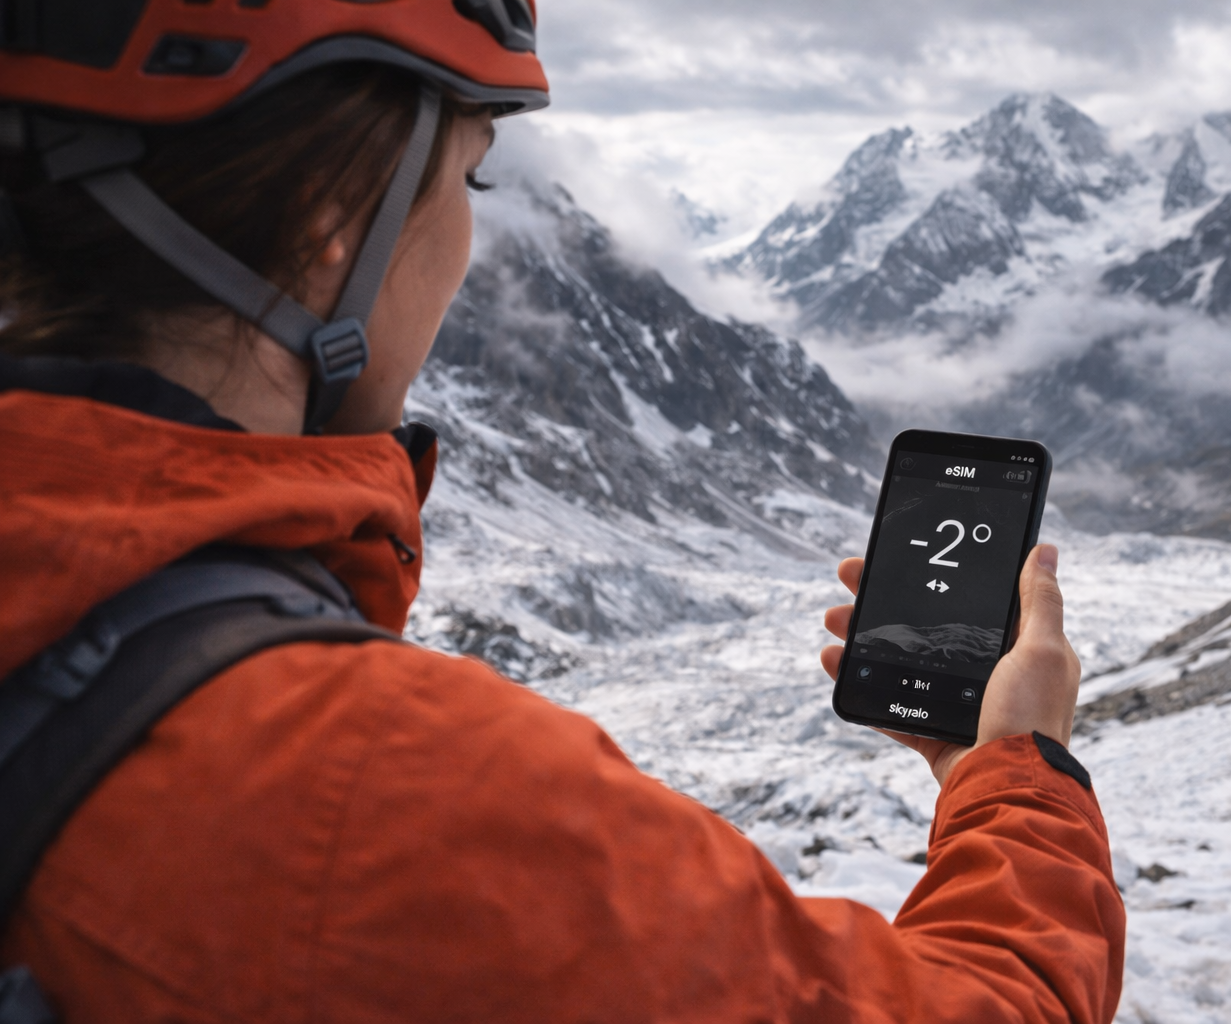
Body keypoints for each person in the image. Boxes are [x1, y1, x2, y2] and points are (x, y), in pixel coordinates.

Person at [0, 2, 1125, 1020]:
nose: (469, 237)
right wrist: (1020, 770)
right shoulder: (383, 790)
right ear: (328, 216)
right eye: (470, 179)